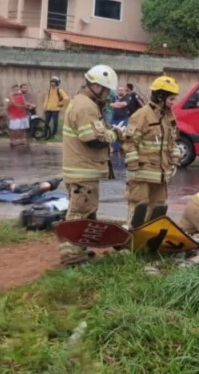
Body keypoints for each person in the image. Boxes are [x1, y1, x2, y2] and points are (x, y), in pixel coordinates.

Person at [59, 64, 120, 266]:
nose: (108, 95)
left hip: (82, 171)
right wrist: (114, 134)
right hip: (82, 171)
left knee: (86, 212)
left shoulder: (82, 102)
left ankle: (81, 251)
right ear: (96, 86)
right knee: (78, 215)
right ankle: (72, 257)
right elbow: (92, 138)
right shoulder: (86, 106)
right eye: (106, 90)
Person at [122, 76, 181, 228]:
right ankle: (132, 242)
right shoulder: (141, 115)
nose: (174, 103)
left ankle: (147, 243)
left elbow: (172, 141)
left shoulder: (169, 117)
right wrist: (133, 167)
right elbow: (129, 142)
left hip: (161, 175)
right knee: (138, 207)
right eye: (171, 99)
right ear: (161, 97)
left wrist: (174, 162)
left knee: (158, 209)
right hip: (142, 173)